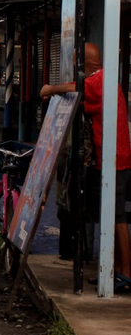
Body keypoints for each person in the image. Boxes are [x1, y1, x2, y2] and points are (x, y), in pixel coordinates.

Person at [41, 42, 131, 284]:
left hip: (113, 160)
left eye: (75, 61)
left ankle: (126, 272)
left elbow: (76, 88)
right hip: (107, 159)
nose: (73, 65)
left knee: (117, 217)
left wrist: (50, 89)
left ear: (84, 62)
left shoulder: (99, 81)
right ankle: (113, 270)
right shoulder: (103, 80)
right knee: (110, 216)